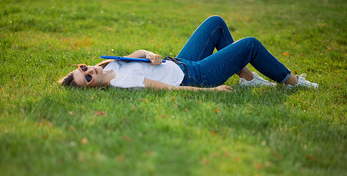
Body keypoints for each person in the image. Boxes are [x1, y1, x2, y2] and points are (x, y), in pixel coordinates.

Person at [58, 15, 318, 91]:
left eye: (83, 68)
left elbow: (136, 53)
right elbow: (169, 89)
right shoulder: (125, 82)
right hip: (196, 76)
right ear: (91, 88)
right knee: (249, 44)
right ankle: (291, 81)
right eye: (88, 78)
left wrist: (149, 54)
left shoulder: (112, 66)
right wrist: (211, 91)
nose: (89, 71)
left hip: (181, 61)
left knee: (215, 23)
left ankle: (247, 79)